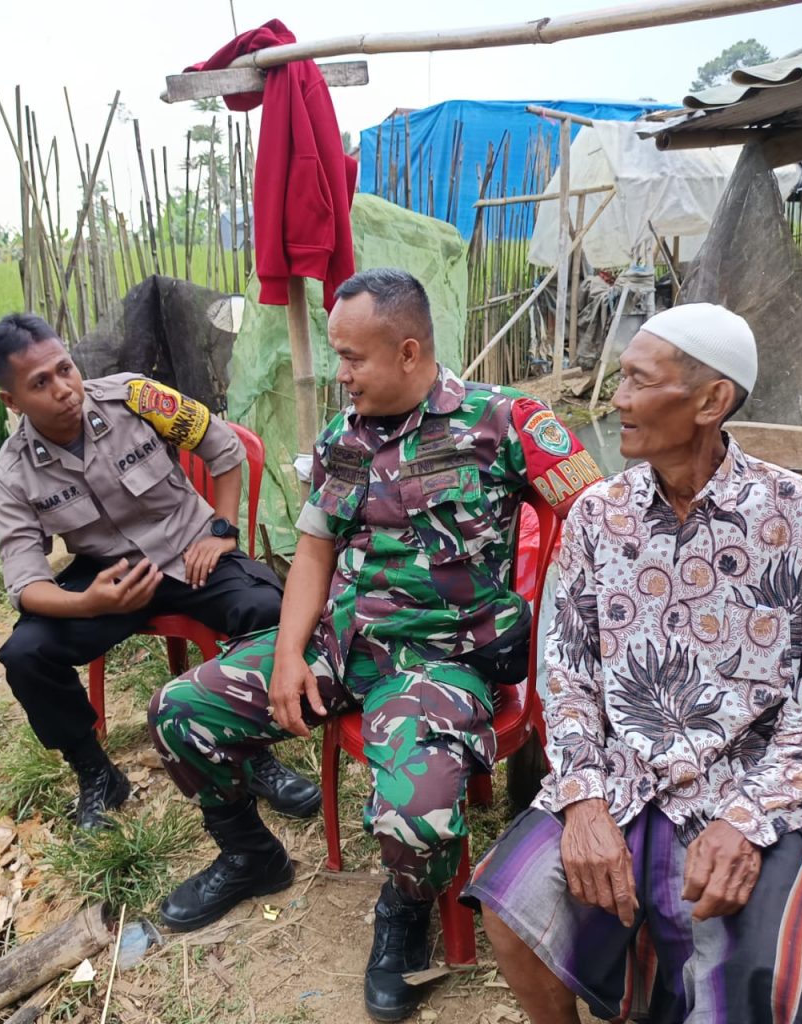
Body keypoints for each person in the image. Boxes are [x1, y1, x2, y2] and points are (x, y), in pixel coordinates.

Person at [148, 267, 603, 1021]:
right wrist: (291, 654)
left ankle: (405, 906)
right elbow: (314, 556)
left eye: (352, 357)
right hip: (341, 645)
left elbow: (599, 518)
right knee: (180, 712)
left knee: (416, 818)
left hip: (440, 664)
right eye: (336, 354)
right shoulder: (340, 439)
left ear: (410, 351)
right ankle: (248, 855)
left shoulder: (505, 421)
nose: (340, 372)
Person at [461, 303, 802, 1024]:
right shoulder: (597, 516)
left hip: (752, 786)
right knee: (508, 906)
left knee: (768, 983)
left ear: (711, 401)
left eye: (636, 381)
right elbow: (569, 676)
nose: (614, 400)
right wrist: (585, 797)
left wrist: (747, 820)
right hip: (620, 777)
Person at [0, 313, 321, 830]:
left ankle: (253, 756)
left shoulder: (136, 397)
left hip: (192, 551)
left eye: (65, 369)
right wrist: (87, 603)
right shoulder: (13, 472)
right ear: (12, 401)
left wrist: (222, 530)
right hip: (111, 577)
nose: (64, 389)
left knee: (268, 607)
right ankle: (95, 773)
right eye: (40, 383)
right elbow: (26, 583)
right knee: (25, 654)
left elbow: (225, 449)